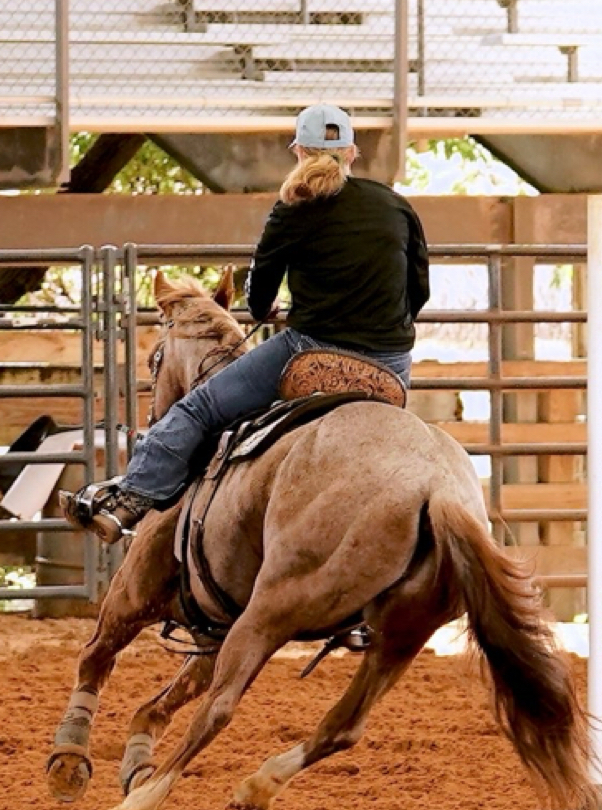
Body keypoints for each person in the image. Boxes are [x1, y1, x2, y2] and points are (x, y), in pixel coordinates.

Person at [62, 103, 430, 545]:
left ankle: (130, 499)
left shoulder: (292, 209)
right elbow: (420, 292)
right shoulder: (396, 206)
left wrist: (285, 306)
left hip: (311, 352)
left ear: (299, 152)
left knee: (197, 408)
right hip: (391, 367)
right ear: (352, 153)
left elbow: (257, 303)